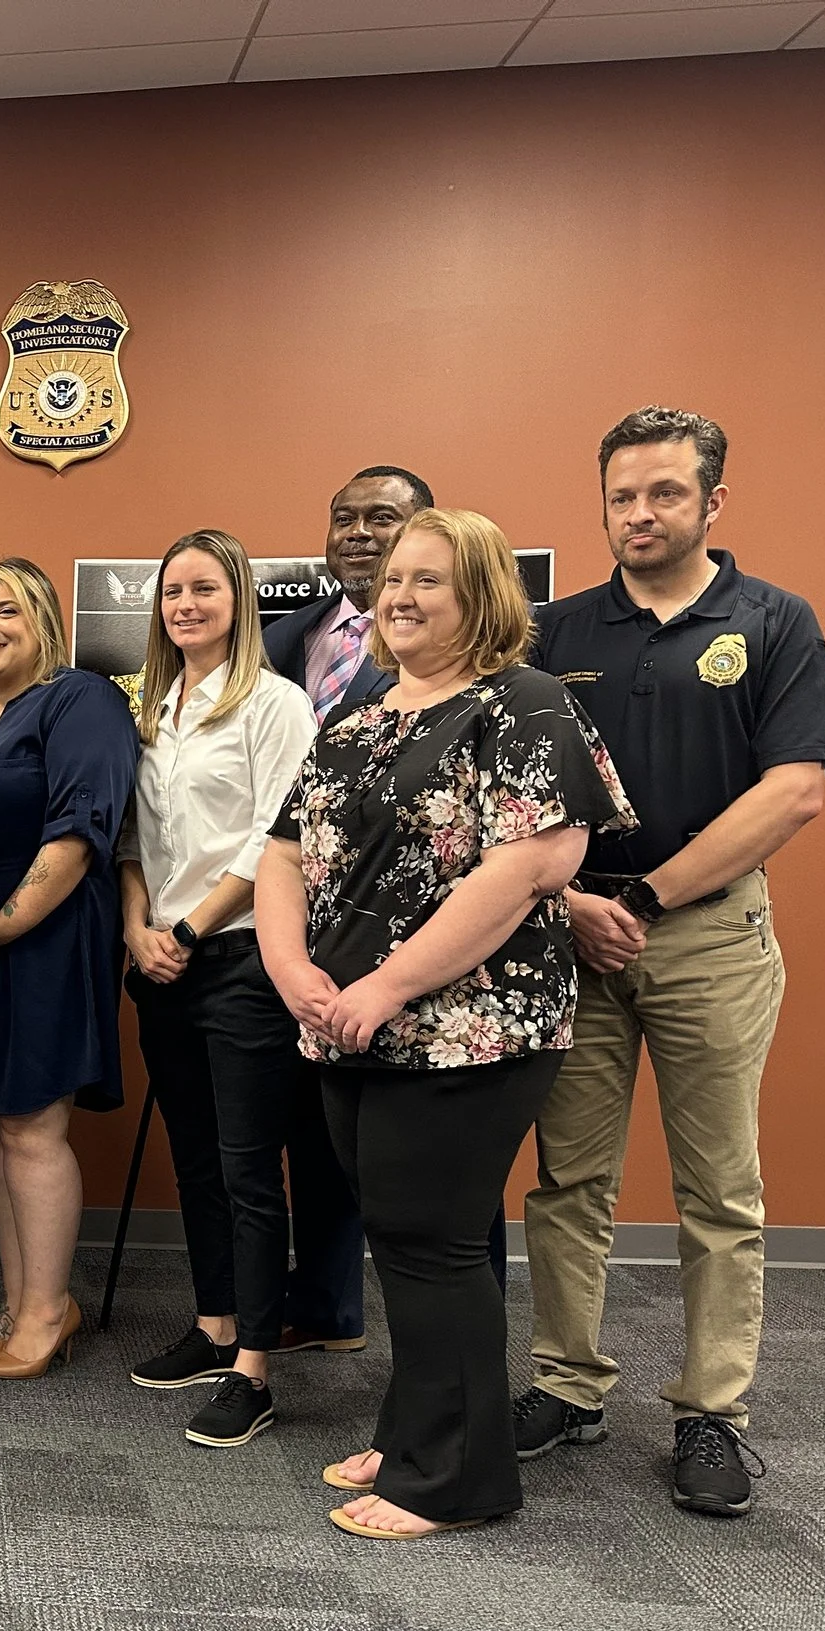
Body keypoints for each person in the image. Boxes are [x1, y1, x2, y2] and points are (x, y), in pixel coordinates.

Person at [256, 507, 634, 1539]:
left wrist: (382, 987)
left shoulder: (525, 704)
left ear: (482, 597)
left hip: (471, 1024)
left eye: (432, 578)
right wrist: (290, 968)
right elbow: (284, 852)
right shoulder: (361, 717)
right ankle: (424, 1422)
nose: (402, 596)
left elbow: (532, 865)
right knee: (413, 1235)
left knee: (430, 1242)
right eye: (392, 579)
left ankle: (455, 1478)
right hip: (346, 1022)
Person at [519, 407, 825, 1518]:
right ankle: (566, 1383)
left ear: (712, 501)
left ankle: (712, 1412)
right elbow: (505, 797)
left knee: (720, 1190)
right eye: (621, 496)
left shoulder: (770, 621)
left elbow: (792, 790)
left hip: (706, 937)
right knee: (567, 1177)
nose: (639, 514)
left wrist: (647, 898)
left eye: (663, 494)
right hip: (573, 934)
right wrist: (569, 903)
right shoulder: (556, 631)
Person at [117, 531, 319, 1445]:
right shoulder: (152, 705)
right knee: (193, 1153)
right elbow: (135, 841)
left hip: (237, 957)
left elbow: (277, 840)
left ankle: (256, 1368)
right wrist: (139, 929)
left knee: (247, 1166)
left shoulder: (276, 705)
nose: (185, 604)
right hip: (157, 958)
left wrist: (191, 929)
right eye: (172, 592)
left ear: (240, 598)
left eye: (204, 588)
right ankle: (214, 1326)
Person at [0, 557, 136, 1382]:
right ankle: (18, 1303)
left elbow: (82, 827)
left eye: (7, 609)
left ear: (44, 619)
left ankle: (51, 1309)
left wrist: (12, 918)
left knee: (34, 1125)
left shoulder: (81, 699)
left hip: (47, 936)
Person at [258, 465, 433, 1349]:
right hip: (304, 925)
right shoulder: (284, 638)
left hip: (420, 934)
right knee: (315, 1129)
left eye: (384, 518)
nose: (360, 533)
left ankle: (442, 1352)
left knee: (433, 1153)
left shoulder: (473, 652)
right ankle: (326, 1306)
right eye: (345, 518)